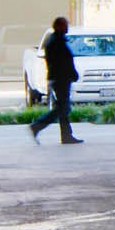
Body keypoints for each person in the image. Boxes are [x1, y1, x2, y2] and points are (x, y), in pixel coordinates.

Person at [31, 17, 83, 146]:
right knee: (61, 108)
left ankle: (66, 135)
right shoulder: (56, 42)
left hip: (60, 78)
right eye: (65, 25)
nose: (67, 28)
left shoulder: (56, 40)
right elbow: (61, 63)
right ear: (58, 26)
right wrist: (71, 74)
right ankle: (38, 126)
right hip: (60, 79)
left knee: (63, 108)